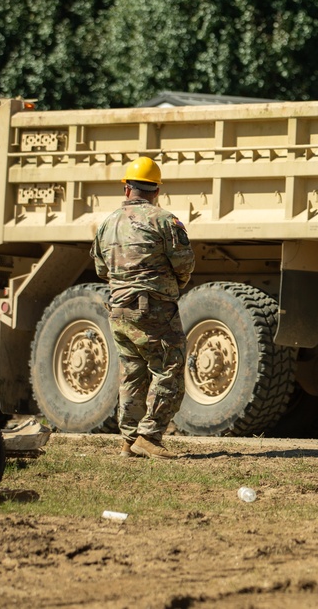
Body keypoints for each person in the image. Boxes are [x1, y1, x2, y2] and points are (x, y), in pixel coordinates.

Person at [90, 157, 195, 460]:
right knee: (169, 371)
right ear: (157, 190)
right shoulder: (164, 220)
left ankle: (128, 441)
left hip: (118, 309)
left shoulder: (107, 224)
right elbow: (185, 264)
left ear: (127, 189)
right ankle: (149, 436)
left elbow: (101, 268)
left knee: (132, 373)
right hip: (153, 310)